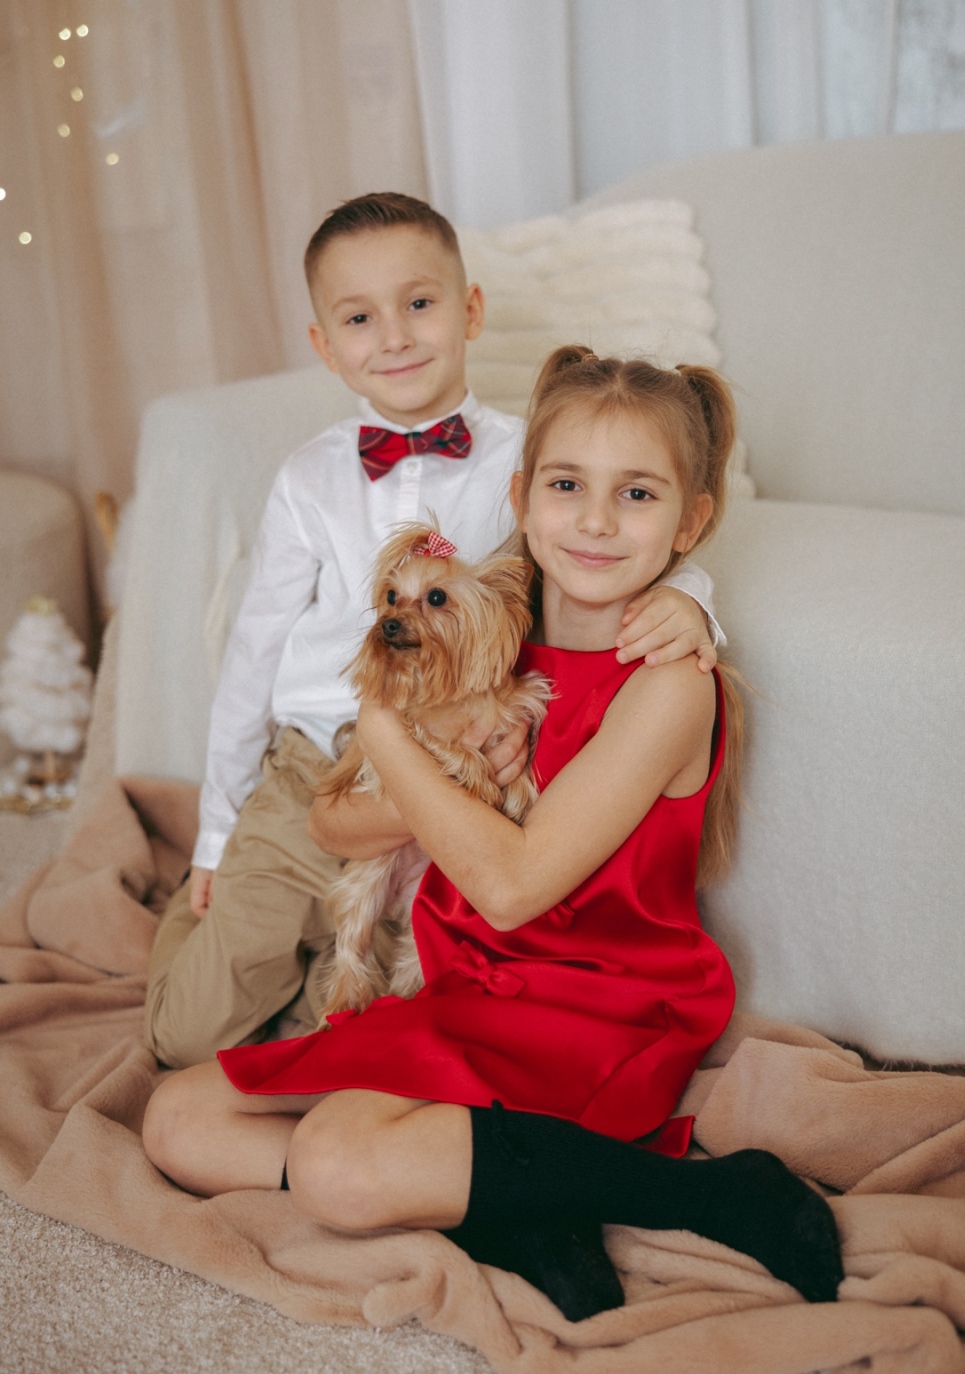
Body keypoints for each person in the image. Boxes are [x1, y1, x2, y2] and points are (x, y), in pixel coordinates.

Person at [142, 346, 844, 1322]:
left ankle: (710, 1193)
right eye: (566, 485)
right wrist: (406, 762)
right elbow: (330, 820)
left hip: (596, 1008)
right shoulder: (485, 632)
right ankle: (516, 1200)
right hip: (468, 984)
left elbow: (512, 888)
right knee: (179, 1119)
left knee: (337, 1160)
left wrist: (386, 727)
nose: (595, 520)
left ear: (690, 522)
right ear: (520, 496)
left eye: (637, 495)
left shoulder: (668, 685)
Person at [144, 195, 724, 1070]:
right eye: (359, 318)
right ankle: (208, 938)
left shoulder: (532, 464)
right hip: (317, 766)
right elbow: (254, 651)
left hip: (456, 777)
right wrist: (215, 835)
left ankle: (312, 972)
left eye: (419, 303)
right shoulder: (307, 479)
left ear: (471, 311)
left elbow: (601, 547)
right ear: (325, 346)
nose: (395, 336)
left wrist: (695, 601)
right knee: (189, 1036)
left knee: (375, 1015)